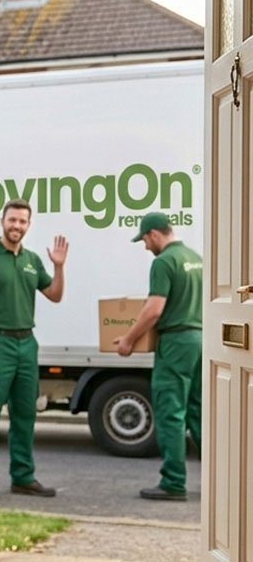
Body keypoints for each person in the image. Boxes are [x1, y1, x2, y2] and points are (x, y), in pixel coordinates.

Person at [0, 198, 68, 504]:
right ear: (2, 221)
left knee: (26, 414)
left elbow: (55, 295)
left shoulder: (32, 260)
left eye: (22, 222)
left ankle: (23, 477)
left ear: (28, 225)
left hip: (26, 343)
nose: (17, 226)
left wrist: (59, 267)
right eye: (12, 220)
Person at [115, 211, 202, 500]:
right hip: (200, 340)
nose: (145, 246)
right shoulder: (196, 258)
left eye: (144, 240)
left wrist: (128, 339)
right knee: (199, 414)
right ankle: (224, 481)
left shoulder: (164, 262)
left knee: (170, 413)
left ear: (153, 233)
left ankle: (173, 483)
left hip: (176, 343)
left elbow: (154, 310)